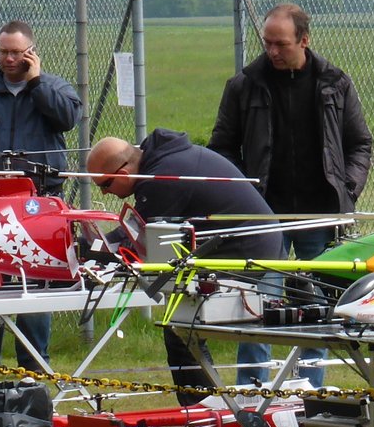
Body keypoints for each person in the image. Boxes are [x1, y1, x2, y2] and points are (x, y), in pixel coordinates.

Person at [208, 3, 373, 387]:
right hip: (262, 214)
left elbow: (360, 143)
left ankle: (310, 388)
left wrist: (346, 189)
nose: (272, 52)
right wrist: (241, 195)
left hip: (319, 213)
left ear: (304, 40)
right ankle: (251, 390)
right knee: (256, 302)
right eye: (267, 43)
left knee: (316, 303)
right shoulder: (243, 85)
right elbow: (223, 148)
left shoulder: (335, 83)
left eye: (281, 44)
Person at [87, 133, 283, 401]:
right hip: (246, 244)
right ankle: (210, 408)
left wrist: (94, 251)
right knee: (181, 328)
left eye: (105, 184)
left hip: (247, 252)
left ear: (123, 173)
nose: (104, 192)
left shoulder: (160, 179)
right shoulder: (161, 160)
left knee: (181, 328)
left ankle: (202, 415)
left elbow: (146, 239)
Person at [0, 19, 84, 372]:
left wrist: (36, 82)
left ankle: (34, 366)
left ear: (31, 52)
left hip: (38, 203)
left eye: (16, 52)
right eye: (3, 52)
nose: (9, 59)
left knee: (36, 285)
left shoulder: (55, 88)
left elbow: (67, 119)